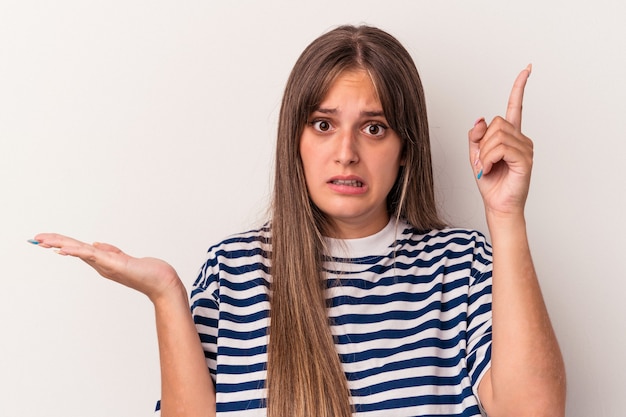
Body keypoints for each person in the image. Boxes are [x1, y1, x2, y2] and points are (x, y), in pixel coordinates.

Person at [31, 25, 566, 417]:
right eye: (323, 124)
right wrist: (167, 294)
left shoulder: (462, 265)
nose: (346, 153)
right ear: (296, 142)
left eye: (374, 128)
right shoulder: (232, 272)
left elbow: (533, 412)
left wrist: (506, 215)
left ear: (406, 149)